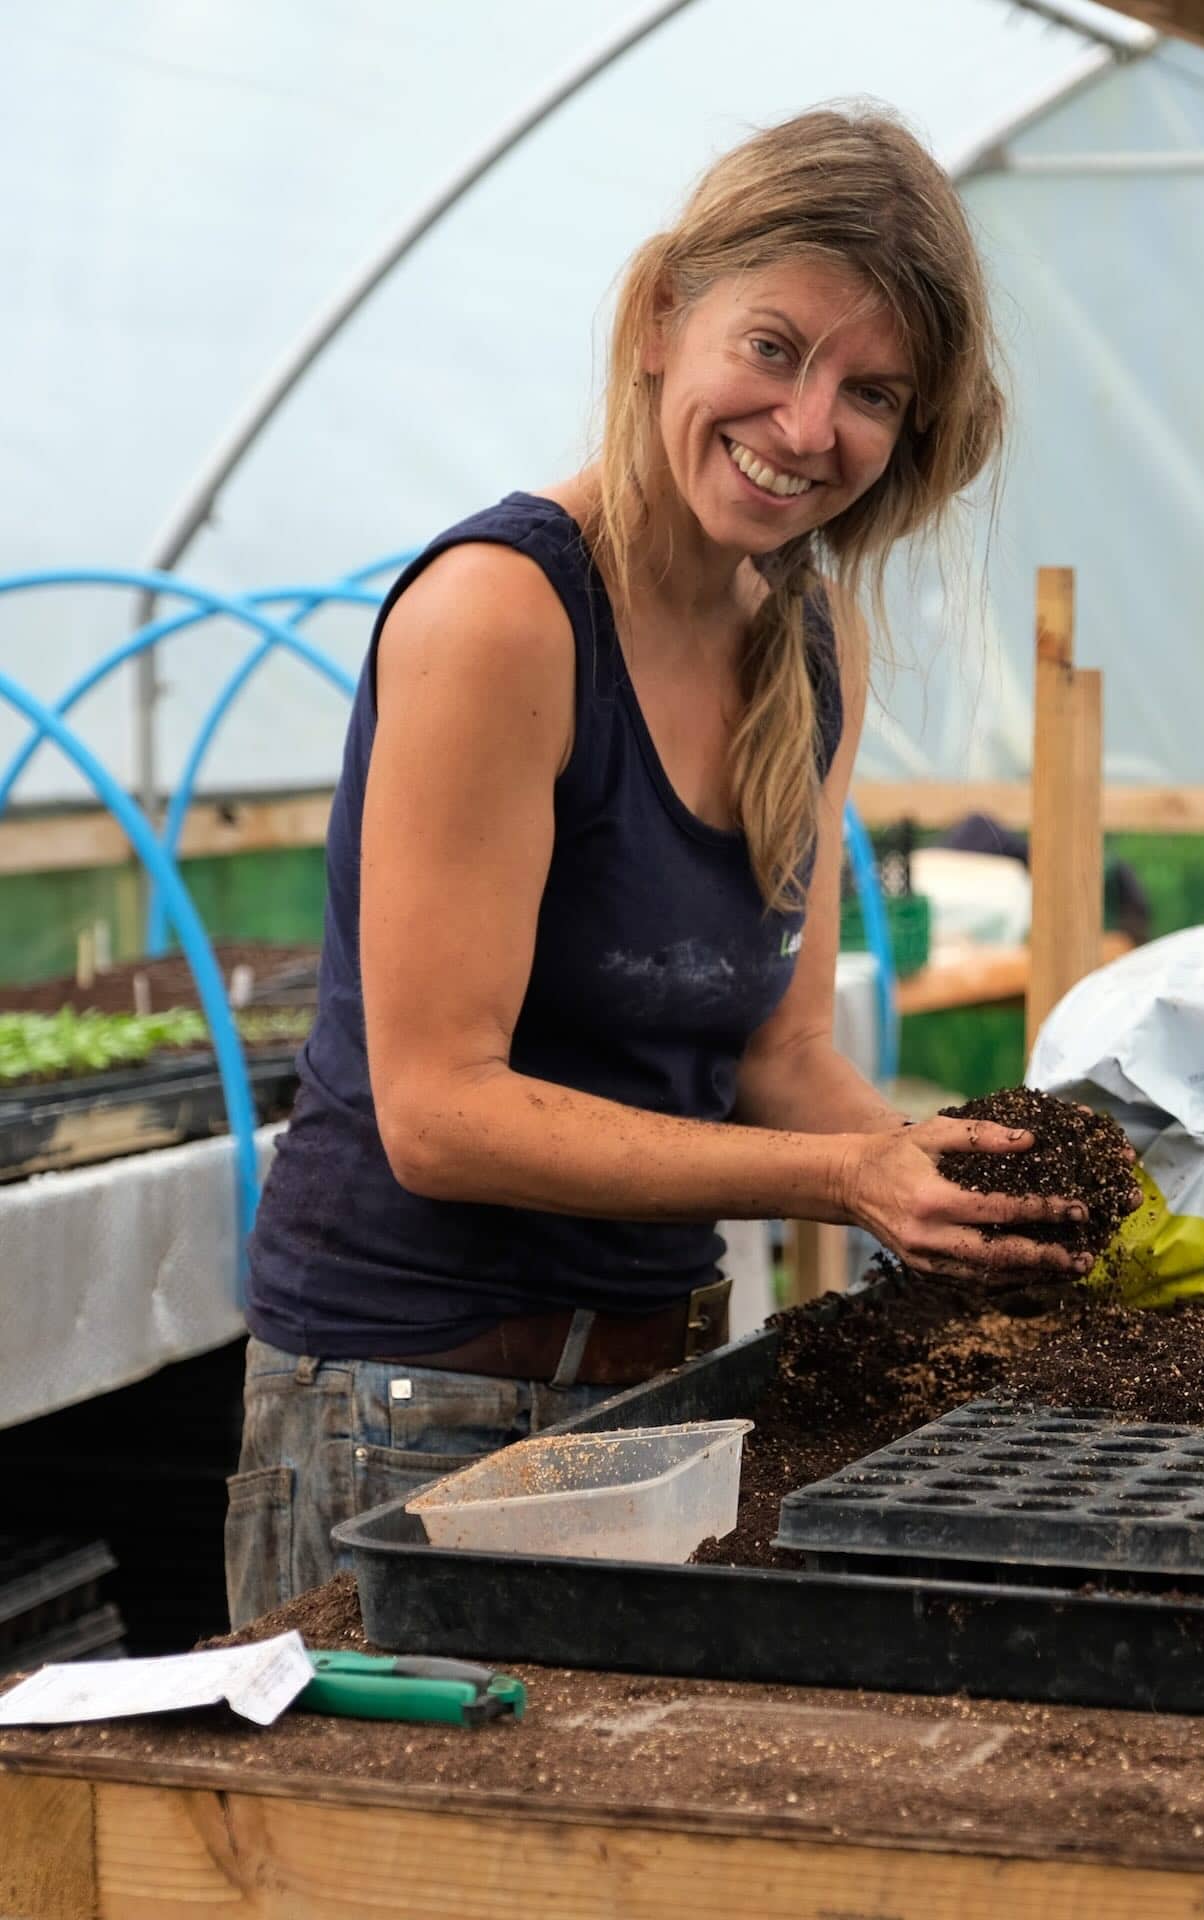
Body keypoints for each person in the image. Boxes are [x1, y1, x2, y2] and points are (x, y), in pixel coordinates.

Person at [225, 108, 1097, 1627]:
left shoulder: (813, 642)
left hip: (663, 1392)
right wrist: (847, 1179)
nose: (810, 425)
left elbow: (780, 1054)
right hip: (409, 1405)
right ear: (657, 323)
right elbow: (439, 1113)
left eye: (872, 391)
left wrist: (950, 1185)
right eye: (775, 348)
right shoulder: (505, 614)